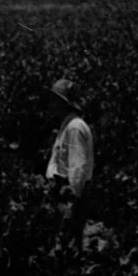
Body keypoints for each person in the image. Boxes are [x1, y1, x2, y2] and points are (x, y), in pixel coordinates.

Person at [44, 78, 94, 245]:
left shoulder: (74, 128)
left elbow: (77, 168)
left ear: (64, 104)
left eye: (55, 100)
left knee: (66, 245)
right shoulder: (68, 126)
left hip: (70, 197)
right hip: (65, 195)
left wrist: (71, 204)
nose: (51, 104)